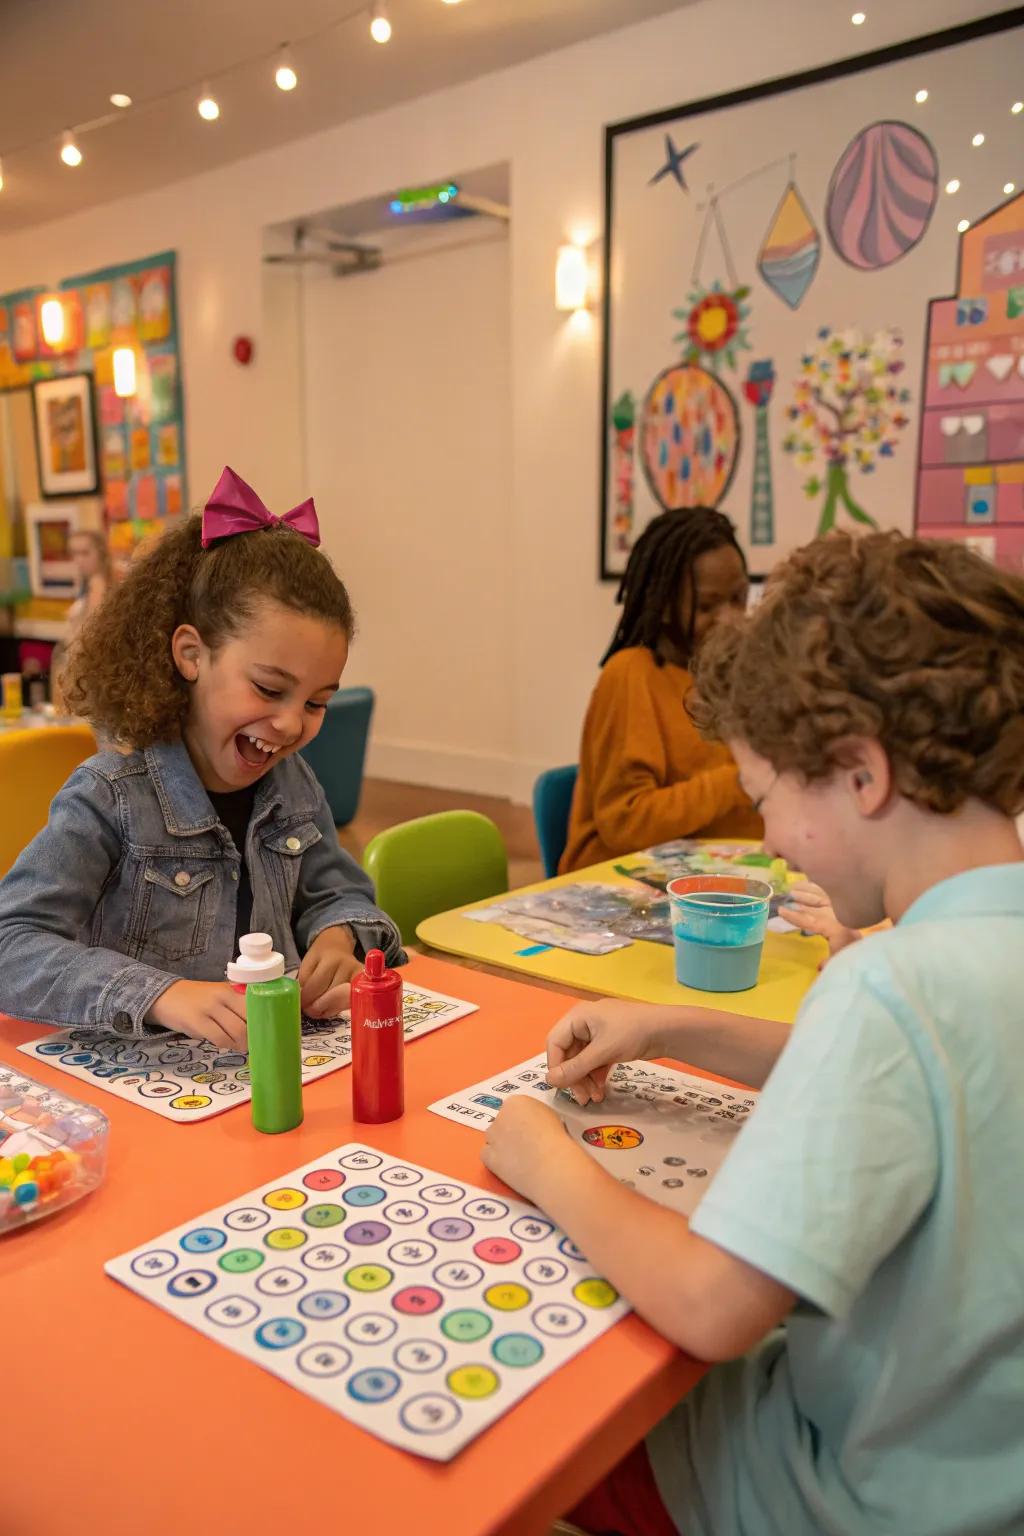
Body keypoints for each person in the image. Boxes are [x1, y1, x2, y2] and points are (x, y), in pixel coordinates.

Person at [484, 530, 1024, 1536]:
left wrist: (546, 1162)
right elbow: (919, 1084)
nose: (767, 837)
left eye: (768, 797)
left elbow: (707, 1305)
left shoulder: (882, 987)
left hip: (836, 1498)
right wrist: (672, 1025)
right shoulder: (960, 957)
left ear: (861, 775)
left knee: (536, 1424)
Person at [0, 467, 403, 1049]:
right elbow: (12, 943)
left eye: (316, 702)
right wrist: (162, 994)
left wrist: (339, 938)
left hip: (269, 1075)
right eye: (268, 689)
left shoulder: (293, 785)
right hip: (144, 1092)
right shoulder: (111, 796)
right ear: (191, 654)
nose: (291, 724)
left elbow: (336, 890)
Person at [560, 509, 760, 873]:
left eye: (739, 598)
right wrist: (740, 778)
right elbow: (626, 822)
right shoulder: (630, 676)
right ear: (664, 603)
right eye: (707, 605)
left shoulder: (740, 674)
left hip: (718, 876)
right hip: (617, 886)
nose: (732, 618)